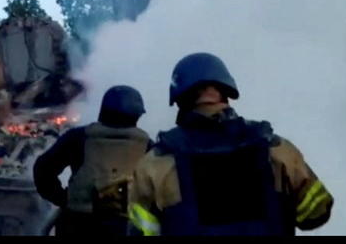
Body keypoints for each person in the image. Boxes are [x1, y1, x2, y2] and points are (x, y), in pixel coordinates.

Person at [128, 52, 333, 236]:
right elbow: (315, 214)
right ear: (226, 92)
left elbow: (140, 232)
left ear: (180, 100)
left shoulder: (156, 164)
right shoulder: (277, 150)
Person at [33, 85, 152, 236]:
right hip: (125, 226)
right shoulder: (148, 146)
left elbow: (43, 170)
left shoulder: (78, 137)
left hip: (77, 224)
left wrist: (64, 199)